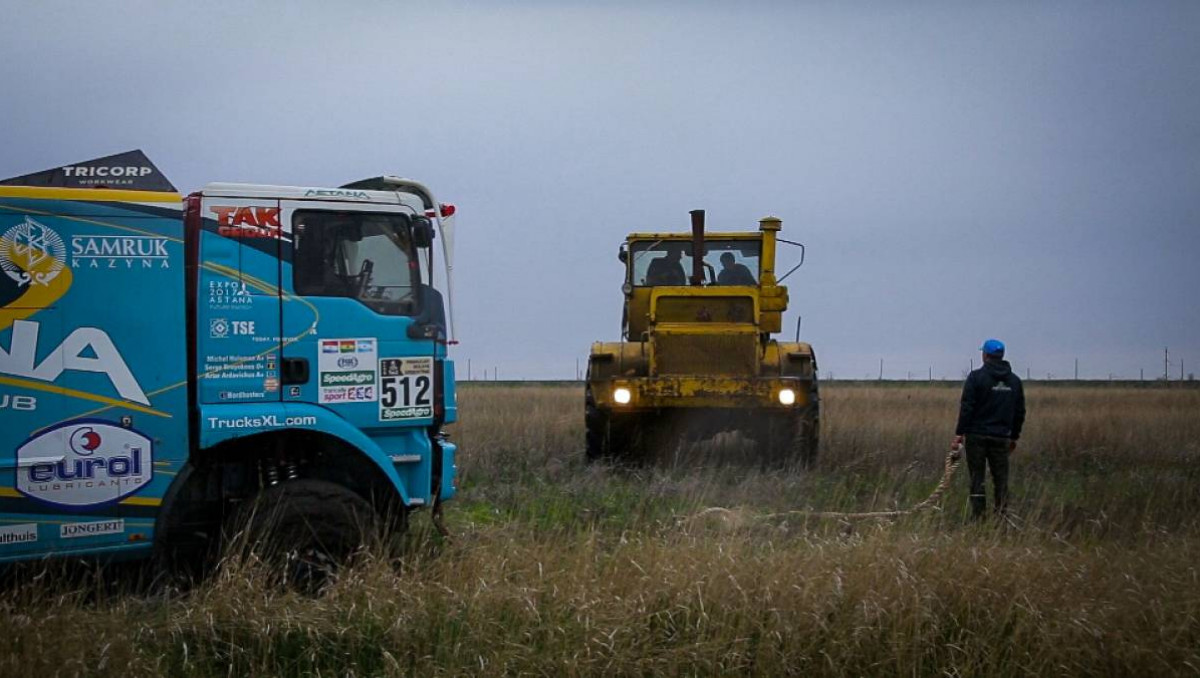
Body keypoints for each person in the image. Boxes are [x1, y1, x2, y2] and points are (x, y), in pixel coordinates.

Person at [952, 338, 1026, 520]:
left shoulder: (976, 378)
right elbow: (1020, 412)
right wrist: (1014, 437)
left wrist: (959, 434)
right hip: (1001, 438)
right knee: (1001, 480)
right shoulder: (1015, 381)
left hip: (976, 437)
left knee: (977, 479)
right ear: (1001, 356)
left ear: (985, 355)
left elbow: (967, 407)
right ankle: (1001, 517)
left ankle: (978, 518)